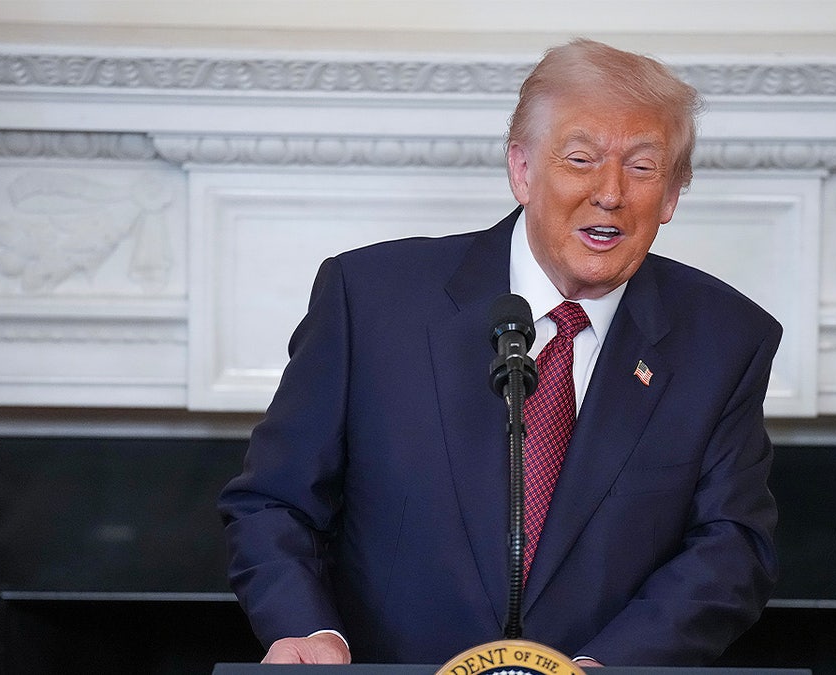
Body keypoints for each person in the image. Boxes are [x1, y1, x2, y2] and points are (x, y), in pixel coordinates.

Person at [217, 38, 782, 666]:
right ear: (522, 169)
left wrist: (607, 667)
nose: (611, 193)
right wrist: (310, 631)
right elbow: (275, 499)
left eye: (644, 168)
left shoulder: (726, 338)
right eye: (580, 158)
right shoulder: (372, 300)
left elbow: (730, 545)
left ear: (673, 194)